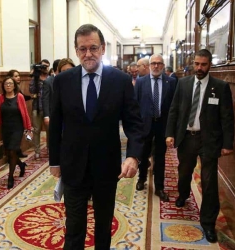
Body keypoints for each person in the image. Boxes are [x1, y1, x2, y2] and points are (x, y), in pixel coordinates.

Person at [49, 24, 144, 250]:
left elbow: (134, 123)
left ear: (102, 49)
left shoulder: (120, 80)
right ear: (76, 50)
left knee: (103, 225)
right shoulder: (63, 81)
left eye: (93, 48)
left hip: (106, 166)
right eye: (82, 49)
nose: (88, 54)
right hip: (73, 166)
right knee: (74, 227)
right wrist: (54, 161)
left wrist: (134, 156)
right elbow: (56, 124)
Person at [165, 49, 234, 243]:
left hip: (209, 140)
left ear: (210, 64)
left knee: (209, 181)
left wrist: (228, 143)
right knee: (184, 171)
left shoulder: (220, 87)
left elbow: (227, 117)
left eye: (203, 64)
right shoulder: (184, 84)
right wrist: (170, 133)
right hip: (187, 137)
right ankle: (183, 194)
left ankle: (208, 223)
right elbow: (174, 110)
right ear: (193, 63)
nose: (199, 68)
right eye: (197, 64)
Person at [134, 54, 176, 201]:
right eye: (153, 63)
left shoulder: (170, 82)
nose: (156, 66)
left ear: (163, 65)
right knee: (143, 154)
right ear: (149, 65)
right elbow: (135, 105)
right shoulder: (141, 82)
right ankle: (141, 179)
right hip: (145, 124)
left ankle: (159, 187)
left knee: (160, 157)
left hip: (162, 125)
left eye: (159, 63)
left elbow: (173, 107)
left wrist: (172, 129)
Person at [0, 77, 33, 189]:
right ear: (3, 86)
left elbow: (25, 113)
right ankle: (21, 165)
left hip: (17, 128)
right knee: (8, 152)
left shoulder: (19, 97)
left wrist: (29, 128)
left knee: (12, 151)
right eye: (6, 84)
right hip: (6, 129)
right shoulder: (1, 97)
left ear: (14, 85)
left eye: (11, 83)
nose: (8, 85)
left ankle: (10, 177)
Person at [7, 69, 31, 158]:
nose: (18, 77)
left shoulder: (18, 89)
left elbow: (23, 99)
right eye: (16, 76)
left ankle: (17, 154)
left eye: (18, 76)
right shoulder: (9, 91)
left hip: (18, 120)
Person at [29, 60, 50, 159]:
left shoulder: (50, 79)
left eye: (46, 67)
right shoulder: (35, 78)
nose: (44, 68)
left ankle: (50, 148)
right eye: (42, 66)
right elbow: (31, 91)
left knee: (49, 130)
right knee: (36, 130)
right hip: (36, 107)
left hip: (48, 108)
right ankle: (37, 151)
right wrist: (34, 75)